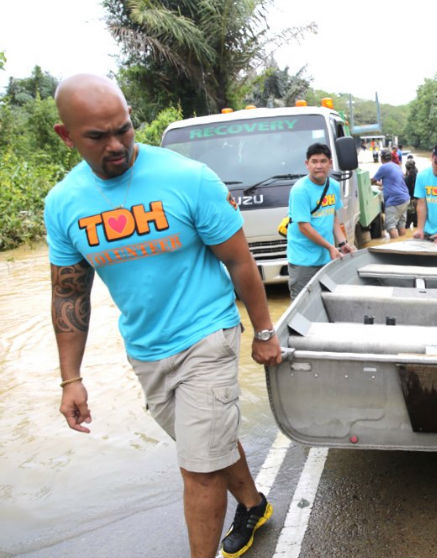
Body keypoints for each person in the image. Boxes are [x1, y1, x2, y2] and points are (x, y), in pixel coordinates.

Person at [45, 74, 281, 558]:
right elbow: (69, 295)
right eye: (98, 136)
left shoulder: (186, 178)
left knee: (198, 467)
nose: (117, 145)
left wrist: (264, 331)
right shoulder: (63, 204)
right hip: (146, 349)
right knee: (208, 446)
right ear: (66, 136)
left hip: (207, 335)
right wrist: (71, 378)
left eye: (124, 129)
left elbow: (240, 261)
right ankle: (254, 505)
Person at [286, 142, 355, 300]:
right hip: (303, 260)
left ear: (330, 163)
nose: (319, 166)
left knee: (327, 300)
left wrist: (343, 244)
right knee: (302, 305)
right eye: (314, 161)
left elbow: (333, 218)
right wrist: (330, 247)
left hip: (327, 257)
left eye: (323, 161)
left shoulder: (334, 186)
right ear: (307, 164)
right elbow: (304, 227)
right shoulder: (300, 190)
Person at [372, 150, 410, 239]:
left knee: (390, 227)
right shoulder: (397, 166)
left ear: (381, 158)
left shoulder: (384, 167)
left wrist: (366, 181)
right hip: (405, 199)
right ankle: (405, 247)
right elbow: (393, 182)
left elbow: (373, 180)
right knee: (401, 225)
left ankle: (396, 249)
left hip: (395, 200)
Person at [404, 156, 419, 229]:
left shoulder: (406, 179)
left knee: (406, 224)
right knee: (417, 223)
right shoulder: (418, 176)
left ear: (406, 168)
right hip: (418, 201)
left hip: (409, 202)